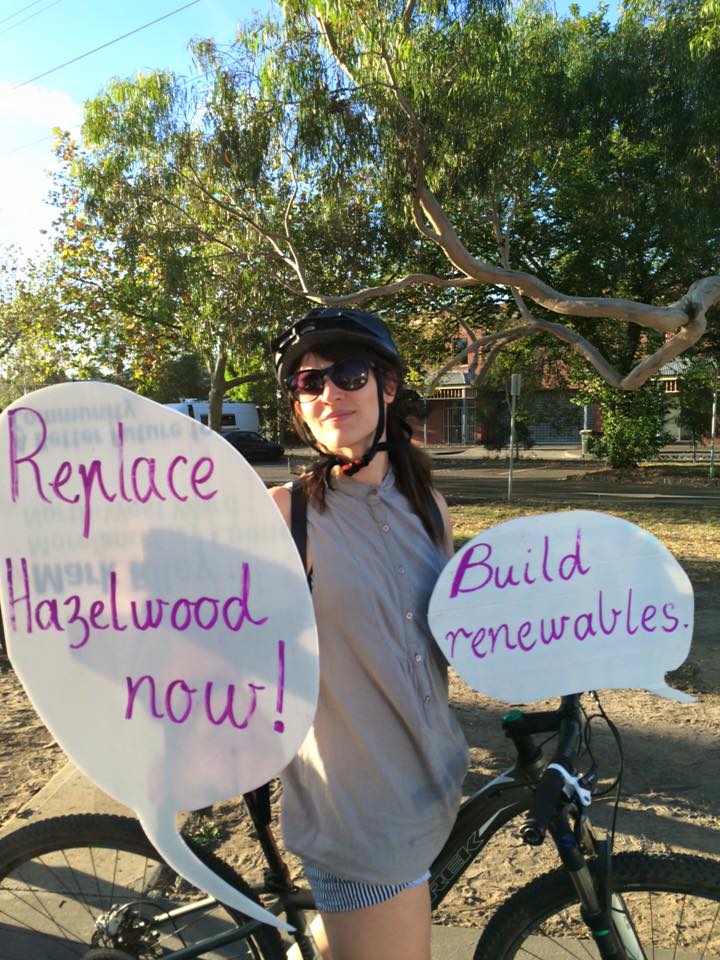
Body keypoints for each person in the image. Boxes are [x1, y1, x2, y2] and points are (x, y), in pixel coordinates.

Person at [269, 308, 469, 960]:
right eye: (309, 383)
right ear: (299, 407)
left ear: (387, 387)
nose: (329, 392)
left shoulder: (429, 506)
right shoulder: (285, 516)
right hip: (357, 811)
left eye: (349, 374)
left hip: (436, 777)